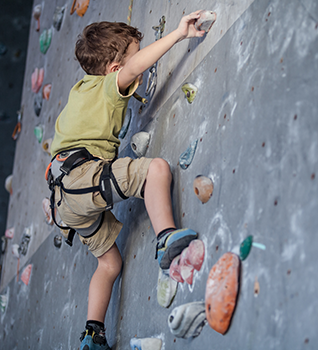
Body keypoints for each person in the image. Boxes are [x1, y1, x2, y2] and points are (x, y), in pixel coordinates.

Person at [47, 10, 205, 350]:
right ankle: (165, 238)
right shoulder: (107, 86)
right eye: (137, 54)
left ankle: (93, 333)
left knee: (110, 263)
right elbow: (132, 69)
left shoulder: (81, 91)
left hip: (64, 198)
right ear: (114, 69)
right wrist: (178, 34)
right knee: (156, 170)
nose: (142, 65)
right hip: (81, 178)